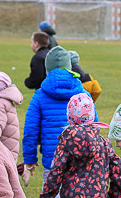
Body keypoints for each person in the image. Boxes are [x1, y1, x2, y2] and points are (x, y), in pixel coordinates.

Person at [22, 46, 87, 187]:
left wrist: (29, 159)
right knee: (76, 196)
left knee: (53, 196)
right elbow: (94, 125)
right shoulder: (83, 93)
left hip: (53, 158)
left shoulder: (39, 95)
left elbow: (30, 130)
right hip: (80, 154)